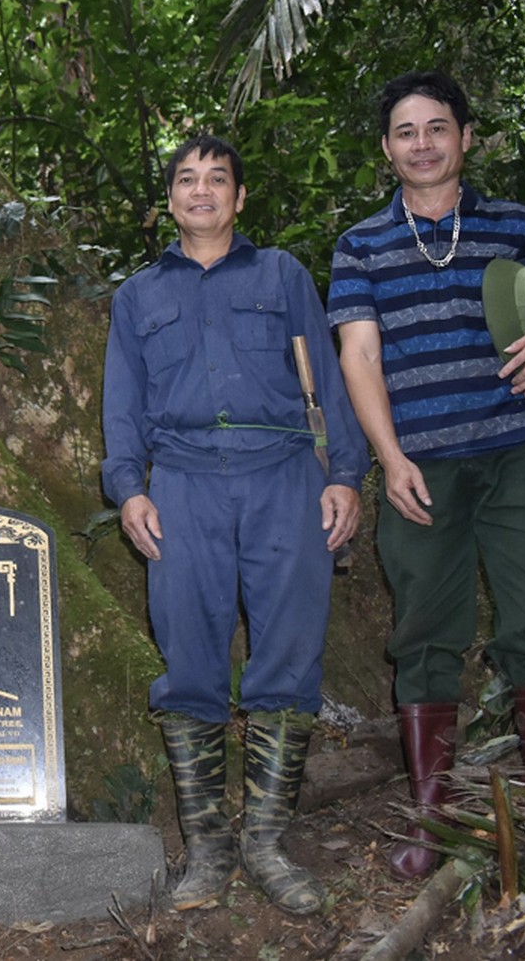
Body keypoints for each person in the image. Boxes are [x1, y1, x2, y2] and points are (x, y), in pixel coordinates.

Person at [328, 71, 525, 878]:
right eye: (404, 131)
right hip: (420, 464)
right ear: (386, 148)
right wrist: (388, 460)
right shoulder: (362, 243)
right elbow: (359, 352)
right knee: (424, 633)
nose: (421, 143)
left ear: (464, 135)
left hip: (517, 453)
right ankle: (435, 818)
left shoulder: (515, 224)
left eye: (436, 127)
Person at [102, 136, 368, 915]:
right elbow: (122, 404)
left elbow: (328, 378)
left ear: (240, 197)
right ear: (171, 199)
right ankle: (209, 847)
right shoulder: (138, 296)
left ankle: (265, 840)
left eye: (218, 178)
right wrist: (129, 489)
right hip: (181, 483)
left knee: (288, 653)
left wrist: (345, 475)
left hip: (283, 474)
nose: (202, 190)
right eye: (187, 179)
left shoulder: (282, 273)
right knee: (188, 657)